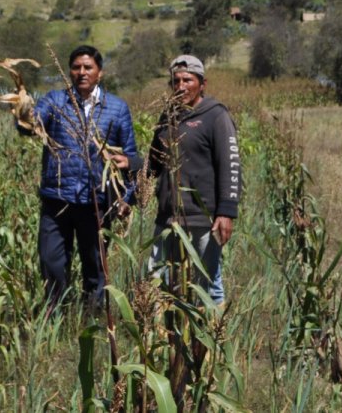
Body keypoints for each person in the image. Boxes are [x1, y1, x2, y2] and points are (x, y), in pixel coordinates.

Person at [22, 45, 140, 312]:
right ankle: (56, 318)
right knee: (51, 263)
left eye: (88, 67)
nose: (82, 72)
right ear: (69, 71)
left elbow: (129, 157)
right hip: (57, 201)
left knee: (96, 270)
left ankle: (92, 320)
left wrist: (127, 198)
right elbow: (32, 124)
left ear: (100, 73)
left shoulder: (116, 108)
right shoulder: (55, 102)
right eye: (76, 67)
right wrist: (23, 113)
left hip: (96, 203)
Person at [146, 54, 241, 304]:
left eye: (187, 80)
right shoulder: (167, 117)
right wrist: (130, 167)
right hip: (168, 218)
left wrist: (226, 212)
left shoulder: (216, 115)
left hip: (202, 218)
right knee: (156, 280)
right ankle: (165, 327)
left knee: (208, 284)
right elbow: (153, 163)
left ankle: (212, 328)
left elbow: (230, 164)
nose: (181, 86)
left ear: (202, 83)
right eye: (175, 81)